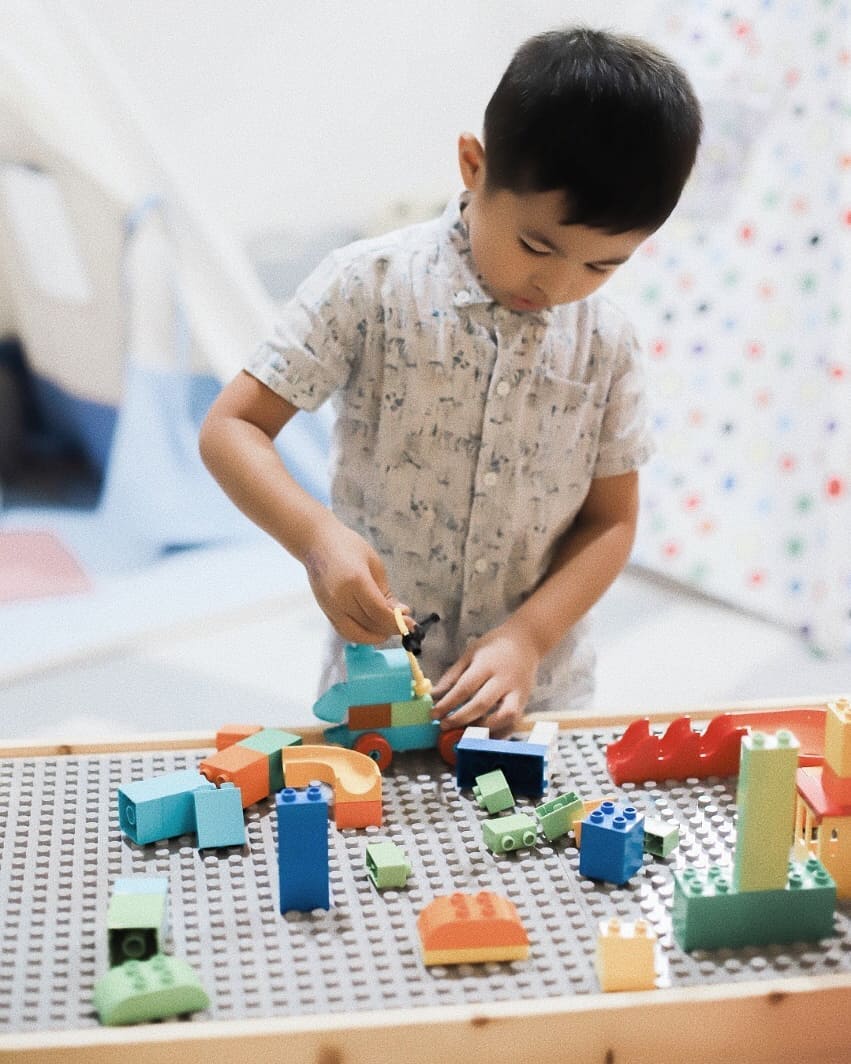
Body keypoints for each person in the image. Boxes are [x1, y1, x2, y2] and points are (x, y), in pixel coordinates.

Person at [199, 26, 702, 737]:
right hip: (378, 684)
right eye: (537, 245)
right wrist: (315, 538)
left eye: (601, 265)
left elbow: (611, 521)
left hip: (535, 692)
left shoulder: (607, 343)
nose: (557, 284)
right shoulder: (367, 285)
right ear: (473, 164)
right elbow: (232, 428)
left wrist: (528, 638)